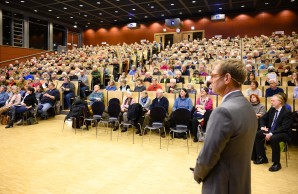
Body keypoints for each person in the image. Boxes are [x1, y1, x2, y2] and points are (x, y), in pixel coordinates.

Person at [193, 59, 258, 194]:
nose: (210, 80)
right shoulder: (248, 107)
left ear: (227, 78)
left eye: (213, 75)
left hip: (222, 185)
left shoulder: (223, 112)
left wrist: (197, 173)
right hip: (240, 183)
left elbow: (208, 155)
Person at [252, 94, 293, 172]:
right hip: (272, 130)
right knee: (258, 134)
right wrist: (262, 127)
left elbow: (284, 127)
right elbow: (263, 118)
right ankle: (262, 157)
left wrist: (271, 133)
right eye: (271, 100)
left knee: (274, 138)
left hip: (284, 133)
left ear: (280, 101)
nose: (271, 102)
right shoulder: (272, 109)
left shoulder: (286, 112)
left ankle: (276, 163)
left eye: (273, 100)